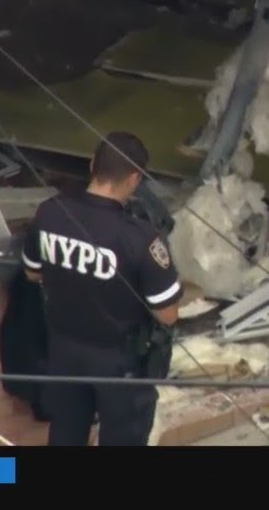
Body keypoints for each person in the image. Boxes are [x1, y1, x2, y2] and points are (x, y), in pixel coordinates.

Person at [21, 131, 184, 446]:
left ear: (93, 163)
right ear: (135, 178)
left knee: (65, 434)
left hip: (64, 350)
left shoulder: (50, 212)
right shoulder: (141, 239)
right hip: (118, 363)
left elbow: (32, 273)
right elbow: (167, 314)